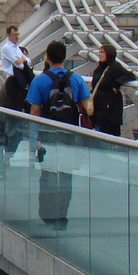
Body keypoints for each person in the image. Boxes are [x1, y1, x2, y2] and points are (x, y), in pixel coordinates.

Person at [27, 41, 92, 233]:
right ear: (65, 57)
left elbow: (35, 110)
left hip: (47, 136)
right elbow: (87, 108)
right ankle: (62, 216)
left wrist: (34, 139)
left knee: (47, 175)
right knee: (66, 176)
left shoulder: (39, 80)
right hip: (70, 136)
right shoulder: (77, 79)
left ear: (47, 57)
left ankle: (47, 214)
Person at [89, 45, 135, 138]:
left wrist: (117, 83)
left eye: (102, 52)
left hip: (108, 108)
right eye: (99, 52)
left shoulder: (114, 67)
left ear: (109, 54)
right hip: (97, 106)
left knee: (106, 134)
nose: (99, 54)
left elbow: (130, 75)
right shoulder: (99, 68)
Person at [0, 26, 32, 113]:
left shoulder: (16, 48)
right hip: (13, 80)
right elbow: (19, 65)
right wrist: (23, 61)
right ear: (8, 35)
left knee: (21, 105)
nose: (17, 37)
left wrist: (23, 60)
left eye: (18, 34)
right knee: (15, 107)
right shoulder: (6, 48)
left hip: (19, 80)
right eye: (14, 35)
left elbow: (28, 61)